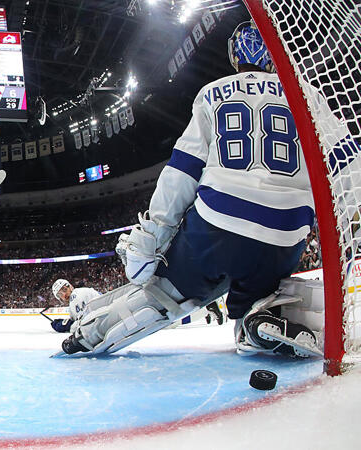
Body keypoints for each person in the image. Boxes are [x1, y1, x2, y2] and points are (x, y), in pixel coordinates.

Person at [62, 22, 330, 358]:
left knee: (163, 293)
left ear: (235, 55)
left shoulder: (213, 94)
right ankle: (261, 319)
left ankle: (88, 335)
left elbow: (182, 172)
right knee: (259, 296)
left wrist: (152, 236)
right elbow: (344, 163)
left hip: (217, 225)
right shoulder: (308, 95)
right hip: (286, 235)